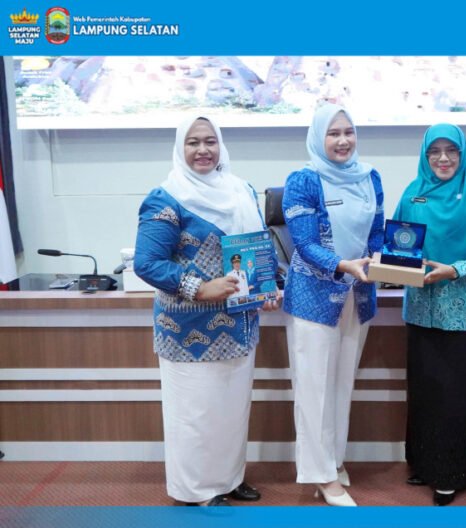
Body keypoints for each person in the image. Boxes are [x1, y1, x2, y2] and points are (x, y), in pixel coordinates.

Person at [134, 116, 280, 506]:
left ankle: (228, 479)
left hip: (240, 323)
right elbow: (147, 263)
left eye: (210, 141)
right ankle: (196, 490)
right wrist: (199, 287)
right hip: (188, 329)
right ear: (180, 148)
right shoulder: (166, 199)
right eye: (193, 142)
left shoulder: (240, 189)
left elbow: (257, 247)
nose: (203, 150)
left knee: (231, 411)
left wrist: (268, 287)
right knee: (196, 414)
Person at [395, 124, 466, 506]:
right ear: (425, 155)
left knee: (455, 396)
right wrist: (394, 266)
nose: (443, 158)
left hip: (463, 315)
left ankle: (453, 473)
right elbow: (398, 251)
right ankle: (425, 464)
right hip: (421, 312)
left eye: (451, 151)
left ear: (462, 154)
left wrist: (454, 270)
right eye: (435, 151)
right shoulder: (413, 194)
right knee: (425, 393)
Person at [282, 104, 384, 507]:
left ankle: (333, 460)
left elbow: (377, 231)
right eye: (333, 133)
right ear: (318, 137)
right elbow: (305, 244)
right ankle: (320, 474)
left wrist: (379, 258)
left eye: (348, 132)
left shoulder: (370, 177)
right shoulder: (303, 180)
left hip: (358, 295)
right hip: (315, 296)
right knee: (314, 389)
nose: (343, 141)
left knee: (342, 384)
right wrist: (343, 265)